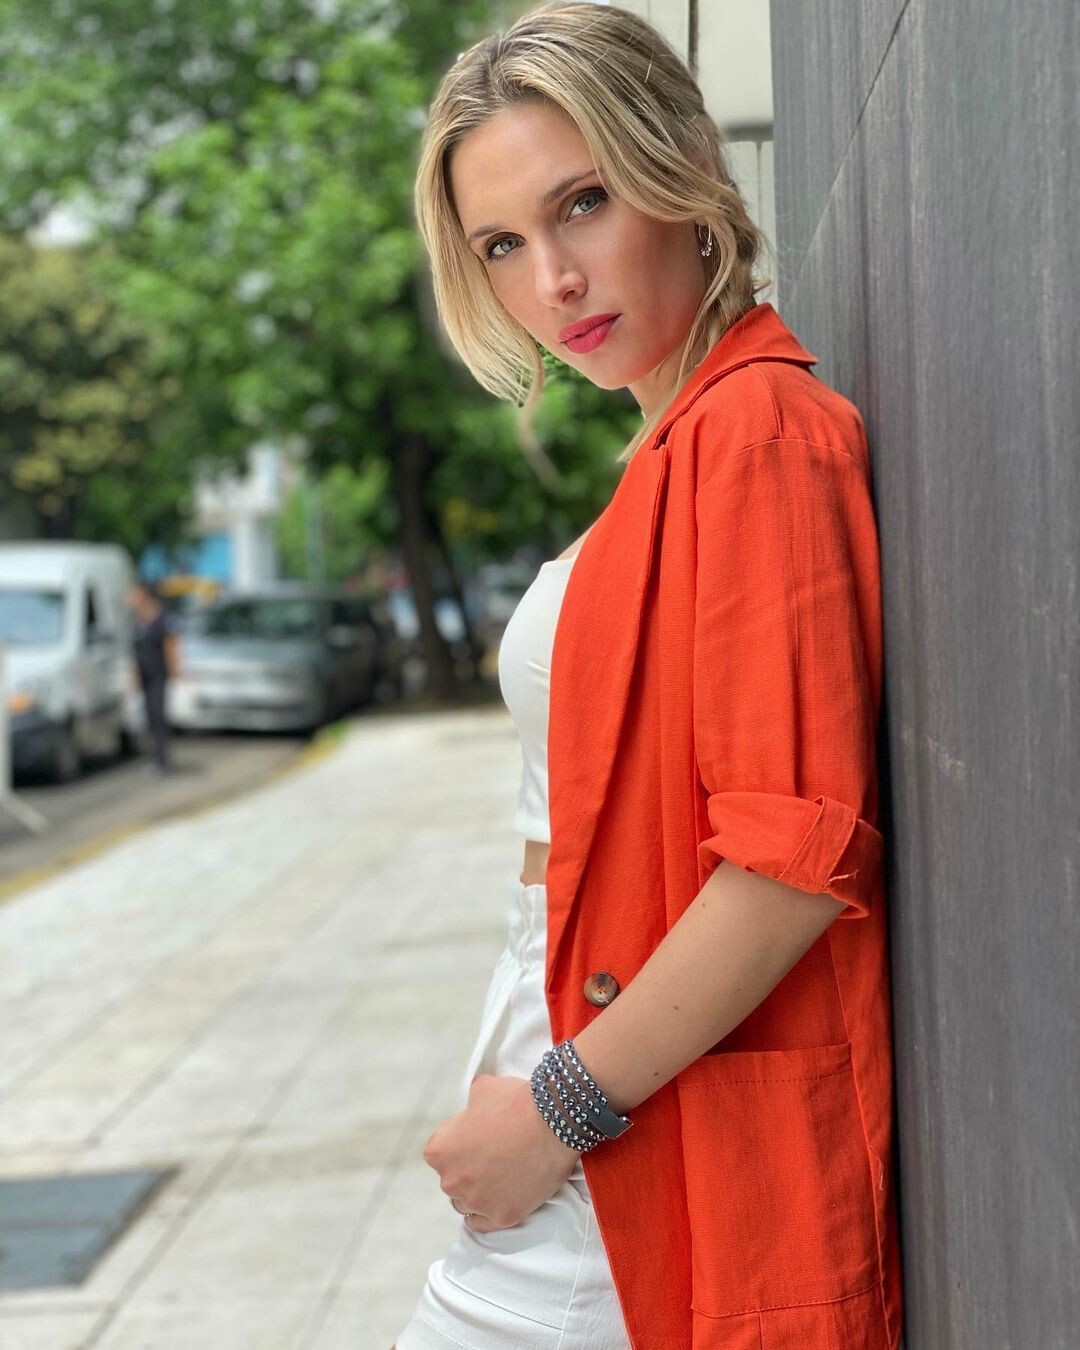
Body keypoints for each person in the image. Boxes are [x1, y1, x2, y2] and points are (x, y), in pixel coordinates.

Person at [396, 3, 903, 1346]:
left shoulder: (757, 431)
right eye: (503, 244)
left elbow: (795, 857)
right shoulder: (679, 447)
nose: (554, 279)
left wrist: (553, 1112)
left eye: (584, 202)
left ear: (680, 167)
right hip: (584, 1110)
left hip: (615, 1132)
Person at [127, 579, 180, 775]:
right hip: (144, 676)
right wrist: (133, 679)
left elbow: (171, 645)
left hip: (159, 674)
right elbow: (134, 653)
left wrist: (176, 671)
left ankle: (162, 759)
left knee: (158, 716)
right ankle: (155, 757)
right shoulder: (137, 621)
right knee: (148, 717)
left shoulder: (161, 618)